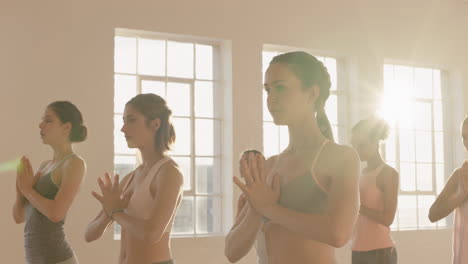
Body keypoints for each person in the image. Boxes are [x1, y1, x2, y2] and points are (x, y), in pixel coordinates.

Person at [225, 51, 360, 264]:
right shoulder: (268, 166)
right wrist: (255, 208)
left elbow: (338, 234)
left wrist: (270, 209)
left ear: (312, 93)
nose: (271, 98)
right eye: (267, 89)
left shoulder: (341, 157)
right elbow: (232, 252)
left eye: (280, 87)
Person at [85, 94, 183, 264]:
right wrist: (109, 213)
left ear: (155, 124)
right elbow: (90, 234)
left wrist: (115, 212)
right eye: (123, 121)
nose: (123, 128)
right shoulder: (131, 177)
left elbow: (152, 233)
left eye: (131, 120)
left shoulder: (169, 173)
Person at [13, 101, 87, 264]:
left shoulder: (74, 163)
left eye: (48, 120)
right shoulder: (44, 166)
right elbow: (19, 217)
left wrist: (27, 190)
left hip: (58, 259)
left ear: (66, 127)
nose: (41, 125)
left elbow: (56, 213)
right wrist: (21, 191)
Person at [350, 116, 399, 264]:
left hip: (380, 253)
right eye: (354, 145)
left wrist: (358, 207)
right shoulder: (359, 173)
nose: (357, 150)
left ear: (375, 142)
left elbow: (387, 219)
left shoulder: (388, 173)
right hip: (357, 250)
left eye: (361, 145)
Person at [429, 116, 468, 264]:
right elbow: (433, 214)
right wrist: (459, 196)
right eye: (464, 137)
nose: (466, 142)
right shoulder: (460, 175)